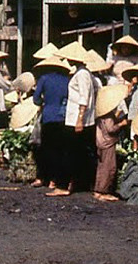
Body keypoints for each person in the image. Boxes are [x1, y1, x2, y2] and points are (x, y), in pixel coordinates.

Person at [50, 42, 96, 197]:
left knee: (69, 152)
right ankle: (79, 182)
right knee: (78, 152)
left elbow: (84, 97)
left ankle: (63, 186)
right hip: (78, 118)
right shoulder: (82, 73)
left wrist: (80, 119)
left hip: (77, 118)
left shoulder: (82, 74)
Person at [32, 55, 71, 189]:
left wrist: (44, 103)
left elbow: (36, 98)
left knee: (46, 149)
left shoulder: (44, 79)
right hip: (63, 117)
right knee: (60, 149)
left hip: (48, 116)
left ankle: (43, 177)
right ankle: (54, 180)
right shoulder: (67, 80)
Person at [94, 83, 130, 202]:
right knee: (109, 167)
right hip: (107, 142)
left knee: (102, 166)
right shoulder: (108, 116)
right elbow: (111, 129)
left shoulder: (101, 115)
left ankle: (98, 189)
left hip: (100, 141)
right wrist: (121, 124)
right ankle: (104, 191)